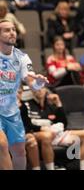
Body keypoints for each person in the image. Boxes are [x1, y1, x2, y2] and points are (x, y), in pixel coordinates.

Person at [0, 20, 48, 170]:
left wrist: (39, 82)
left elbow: (32, 83)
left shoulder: (22, 57)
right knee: (2, 144)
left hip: (12, 111)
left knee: (20, 151)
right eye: (7, 30)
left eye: (13, 29)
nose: (12, 32)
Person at [20, 86, 84, 170]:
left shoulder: (51, 104)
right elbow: (26, 124)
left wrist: (58, 104)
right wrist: (41, 128)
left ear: (45, 90)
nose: (38, 90)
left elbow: (63, 123)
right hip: (36, 133)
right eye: (36, 88)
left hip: (54, 133)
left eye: (41, 88)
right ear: (32, 90)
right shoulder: (26, 104)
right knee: (47, 135)